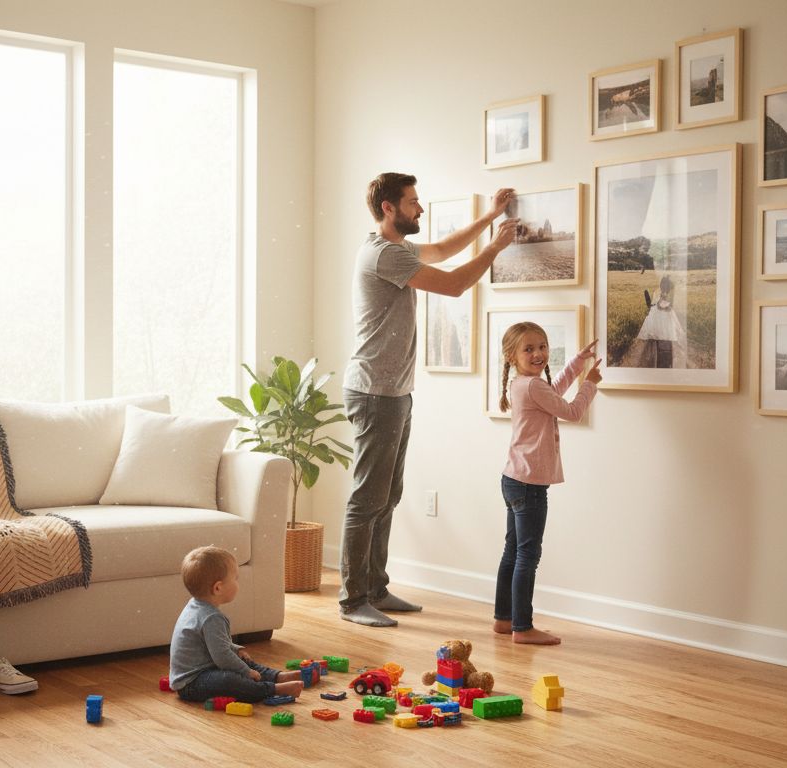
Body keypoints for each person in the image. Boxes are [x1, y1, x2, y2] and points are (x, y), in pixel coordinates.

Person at [339, 172, 520, 628]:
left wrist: (489, 216)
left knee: (388, 494)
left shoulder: (396, 248)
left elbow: (442, 251)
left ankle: (376, 589)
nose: (420, 209)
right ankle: (352, 598)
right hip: (374, 391)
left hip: (394, 391)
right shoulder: (382, 255)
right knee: (368, 499)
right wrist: (495, 248)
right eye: (413, 202)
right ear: (389, 208)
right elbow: (455, 283)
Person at [494, 323, 601, 645]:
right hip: (529, 484)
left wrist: (578, 363)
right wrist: (590, 384)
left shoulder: (523, 384)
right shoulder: (533, 387)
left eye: (542, 346)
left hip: (514, 478)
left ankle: (504, 618)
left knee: (513, 552)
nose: (538, 353)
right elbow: (571, 411)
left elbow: (554, 394)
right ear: (512, 356)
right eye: (529, 349)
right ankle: (522, 627)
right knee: (528, 555)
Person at [168, 546, 305, 703]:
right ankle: (273, 689)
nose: (238, 583)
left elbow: (216, 644)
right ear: (218, 588)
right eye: (235, 578)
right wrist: (245, 671)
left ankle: (277, 677)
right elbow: (222, 656)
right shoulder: (211, 617)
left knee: (241, 659)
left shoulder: (196, 605)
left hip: (207, 667)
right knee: (229, 680)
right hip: (191, 684)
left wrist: (236, 649)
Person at [638, 274, 683, 368]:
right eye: (666, 287)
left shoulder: (664, 293)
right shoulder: (659, 293)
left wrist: (666, 305)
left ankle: (662, 347)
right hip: (659, 311)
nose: (667, 289)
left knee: (664, 325)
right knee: (662, 327)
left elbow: (663, 305)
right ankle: (659, 348)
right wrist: (661, 305)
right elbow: (658, 305)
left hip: (661, 311)